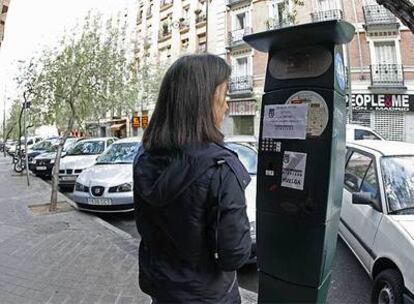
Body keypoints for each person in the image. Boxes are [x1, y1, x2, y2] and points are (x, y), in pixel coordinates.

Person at [133, 54, 252, 304]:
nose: (227, 105)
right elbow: (234, 255)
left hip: (162, 290)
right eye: (224, 95)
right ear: (203, 101)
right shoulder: (221, 167)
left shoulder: (143, 158)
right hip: (208, 296)